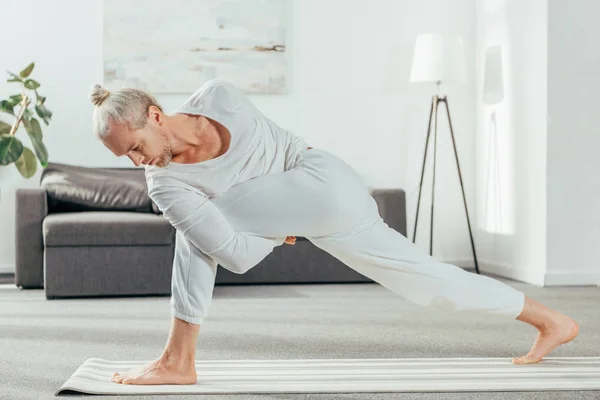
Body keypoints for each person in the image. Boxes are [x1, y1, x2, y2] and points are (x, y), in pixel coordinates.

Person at [89, 79, 578, 386]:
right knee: (427, 283)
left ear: (153, 115)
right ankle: (550, 320)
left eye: (135, 147)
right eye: (125, 159)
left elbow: (238, 255)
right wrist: (277, 217)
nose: (138, 163)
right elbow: (269, 172)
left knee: (193, 232)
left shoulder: (215, 102)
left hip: (322, 185)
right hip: (329, 190)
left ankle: (178, 360)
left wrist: (273, 228)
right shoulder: (169, 172)